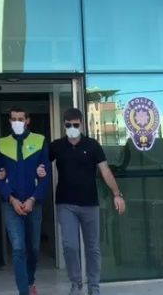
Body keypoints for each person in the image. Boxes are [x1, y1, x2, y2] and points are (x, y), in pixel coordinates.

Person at [49, 108, 126, 295]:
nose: (72, 128)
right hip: (65, 203)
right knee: (70, 246)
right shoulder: (57, 146)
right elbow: (40, 164)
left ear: (82, 124)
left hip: (90, 204)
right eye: (68, 125)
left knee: (92, 247)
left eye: (75, 125)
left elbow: (105, 170)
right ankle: (76, 283)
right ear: (64, 125)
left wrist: (117, 194)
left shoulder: (92, 145)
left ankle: (94, 286)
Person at [0, 107, 51, 295]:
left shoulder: (39, 141)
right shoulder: (1, 144)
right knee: (18, 249)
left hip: (34, 204)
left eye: (21, 119)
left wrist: (33, 199)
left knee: (33, 248)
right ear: (9, 121)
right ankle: (24, 291)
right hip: (11, 204)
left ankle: (30, 280)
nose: (17, 122)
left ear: (28, 120)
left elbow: (46, 175)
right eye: (13, 119)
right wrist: (11, 199)